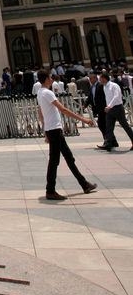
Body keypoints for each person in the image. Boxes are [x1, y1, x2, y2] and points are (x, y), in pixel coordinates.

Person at [36, 70, 97, 200]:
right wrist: (83, 119)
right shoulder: (47, 93)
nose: (51, 79)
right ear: (46, 79)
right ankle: (50, 190)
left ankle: (84, 184)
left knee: (68, 158)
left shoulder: (40, 93)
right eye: (50, 78)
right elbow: (63, 109)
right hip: (54, 130)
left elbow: (40, 112)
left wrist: (45, 131)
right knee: (54, 161)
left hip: (52, 130)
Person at [98, 73, 133, 151]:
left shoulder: (114, 85)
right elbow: (108, 98)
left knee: (125, 126)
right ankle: (108, 144)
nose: (100, 80)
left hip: (117, 108)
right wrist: (108, 107)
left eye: (100, 78)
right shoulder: (104, 87)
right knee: (109, 127)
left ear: (104, 78)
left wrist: (109, 106)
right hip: (109, 109)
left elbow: (116, 96)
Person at [84, 72, 116, 149]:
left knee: (102, 125)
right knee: (104, 125)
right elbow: (90, 97)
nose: (90, 80)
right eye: (89, 79)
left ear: (95, 78)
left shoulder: (101, 85)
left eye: (91, 78)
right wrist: (85, 105)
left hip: (104, 109)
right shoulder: (92, 87)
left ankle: (107, 141)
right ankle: (113, 141)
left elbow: (106, 96)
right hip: (98, 109)